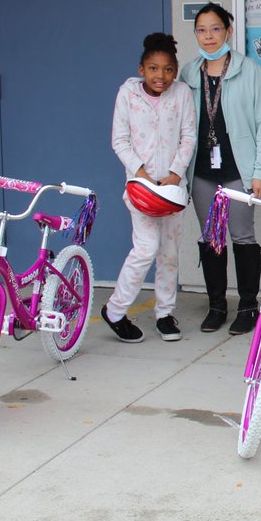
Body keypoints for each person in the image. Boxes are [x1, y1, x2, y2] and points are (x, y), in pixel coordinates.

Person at [180, 2, 261, 336]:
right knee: (211, 238)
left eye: (216, 29)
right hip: (202, 171)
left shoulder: (248, 70)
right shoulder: (189, 73)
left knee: (242, 235)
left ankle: (248, 306)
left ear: (229, 31)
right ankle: (217, 305)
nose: (209, 37)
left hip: (239, 169)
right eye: (202, 30)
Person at [102, 33, 197, 342]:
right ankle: (115, 310)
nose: (161, 76)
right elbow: (120, 140)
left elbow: (188, 136)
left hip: (172, 189)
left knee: (169, 252)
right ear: (141, 69)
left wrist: (175, 173)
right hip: (140, 189)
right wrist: (140, 173)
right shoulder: (127, 94)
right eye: (154, 68)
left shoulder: (182, 94)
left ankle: (165, 314)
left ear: (175, 70)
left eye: (168, 69)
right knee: (146, 248)